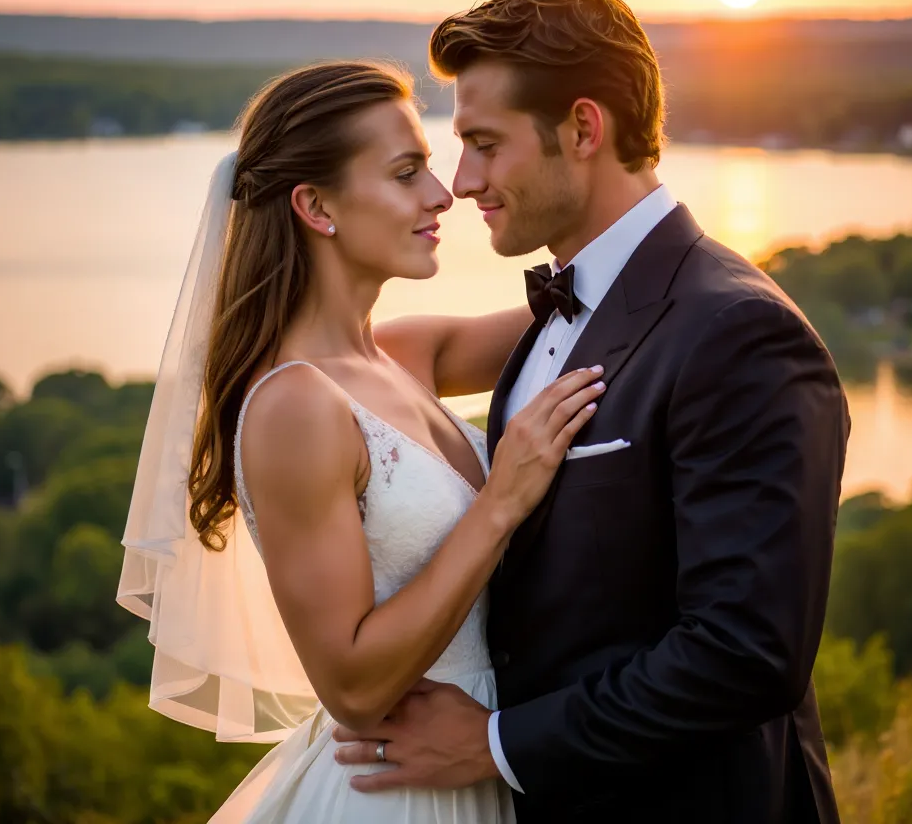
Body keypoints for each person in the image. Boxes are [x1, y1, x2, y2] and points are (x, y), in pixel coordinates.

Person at [332, 0, 850, 824]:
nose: (463, 182)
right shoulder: (557, 312)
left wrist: (495, 744)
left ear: (581, 129)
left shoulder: (740, 333)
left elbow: (747, 653)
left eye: (486, 143)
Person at [117, 59, 605, 823]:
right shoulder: (294, 407)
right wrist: (500, 502)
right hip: (397, 795)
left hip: (485, 757)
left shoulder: (406, 355)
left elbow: (596, 304)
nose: (443, 195)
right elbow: (350, 684)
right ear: (315, 205)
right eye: (407, 173)